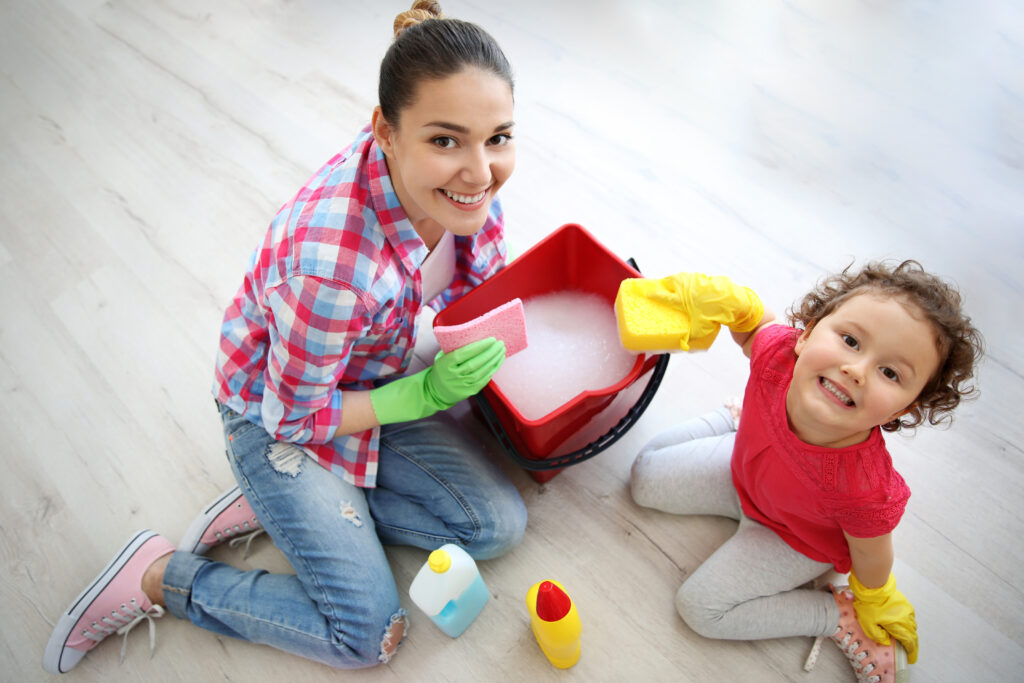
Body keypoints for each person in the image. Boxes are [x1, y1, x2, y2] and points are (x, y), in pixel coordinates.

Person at [43, 1, 527, 673]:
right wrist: (420, 395)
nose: (481, 171)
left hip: (364, 378)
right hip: (277, 415)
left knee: (498, 525)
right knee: (368, 634)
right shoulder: (333, 266)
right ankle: (159, 574)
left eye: (498, 136)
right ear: (384, 131)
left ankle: (288, 511)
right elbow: (294, 414)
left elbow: (479, 285)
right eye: (446, 140)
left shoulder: (467, 195)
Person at [626, 262, 982, 681]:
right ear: (808, 334)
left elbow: (871, 552)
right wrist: (736, 306)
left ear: (903, 408)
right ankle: (739, 420)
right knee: (644, 479)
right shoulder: (778, 355)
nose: (857, 369)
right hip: (742, 476)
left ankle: (836, 615)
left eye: (890, 372)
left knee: (701, 609)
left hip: (794, 539)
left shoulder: (864, 487)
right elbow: (752, 329)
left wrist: (875, 597)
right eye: (850, 340)